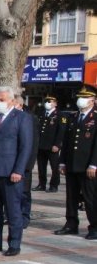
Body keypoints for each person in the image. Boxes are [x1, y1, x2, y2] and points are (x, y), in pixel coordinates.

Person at [0, 86, 33, 257]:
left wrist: (19, 170)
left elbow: (25, 147)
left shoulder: (22, 118)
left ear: (12, 101)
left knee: (13, 210)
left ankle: (14, 243)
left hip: (11, 172)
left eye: (2, 100)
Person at [54, 87, 97, 240]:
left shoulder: (95, 118)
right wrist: (62, 162)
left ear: (92, 100)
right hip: (72, 164)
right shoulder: (74, 117)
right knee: (71, 196)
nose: (81, 100)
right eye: (80, 97)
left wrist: (94, 164)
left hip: (87, 167)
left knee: (90, 197)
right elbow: (66, 142)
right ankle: (71, 224)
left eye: (85, 97)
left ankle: (94, 226)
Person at [14, 95, 39, 229]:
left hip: (25, 163)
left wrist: (28, 164)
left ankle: (24, 216)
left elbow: (32, 143)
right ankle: (14, 216)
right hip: (11, 163)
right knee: (13, 193)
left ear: (19, 105)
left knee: (24, 192)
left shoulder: (30, 118)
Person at [34, 95, 65, 193]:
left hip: (52, 146)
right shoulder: (41, 113)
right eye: (46, 101)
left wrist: (57, 144)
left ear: (55, 103)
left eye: (50, 101)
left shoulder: (60, 115)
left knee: (54, 167)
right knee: (41, 166)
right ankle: (41, 184)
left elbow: (61, 131)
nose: (48, 103)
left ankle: (54, 185)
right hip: (41, 145)